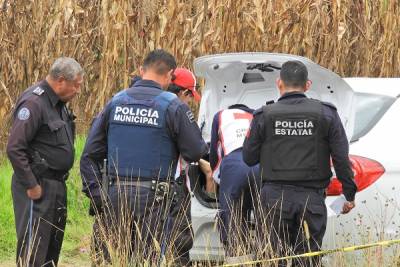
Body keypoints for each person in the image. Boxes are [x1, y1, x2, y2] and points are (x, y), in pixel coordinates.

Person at [80, 49, 208, 265]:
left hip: (115, 196)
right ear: (169, 75)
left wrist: (97, 195)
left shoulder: (115, 102)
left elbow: (89, 156)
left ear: (141, 70)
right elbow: (196, 151)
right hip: (156, 202)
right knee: (153, 260)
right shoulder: (173, 106)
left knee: (110, 260)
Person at [242, 60, 357, 266]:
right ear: (308, 85)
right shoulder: (326, 114)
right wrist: (348, 194)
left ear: (279, 83)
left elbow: (248, 158)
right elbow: (341, 158)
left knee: (272, 259)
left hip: (273, 200)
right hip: (310, 200)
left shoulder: (264, 115)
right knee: (307, 261)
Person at [6, 57, 83, 267]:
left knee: (51, 250)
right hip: (38, 186)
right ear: (60, 81)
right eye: (76, 85)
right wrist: (31, 185)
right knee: (34, 251)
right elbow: (14, 147)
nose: (78, 90)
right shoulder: (34, 102)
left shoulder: (60, 105)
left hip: (56, 186)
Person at [166, 67, 214, 265]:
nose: (188, 102)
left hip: (139, 185)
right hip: (174, 187)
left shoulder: (148, 103)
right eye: (189, 97)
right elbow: (196, 150)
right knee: (179, 242)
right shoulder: (178, 109)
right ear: (184, 92)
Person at [209, 104, 259, 261]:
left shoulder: (220, 115)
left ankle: (238, 257)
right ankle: (265, 256)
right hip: (261, 165)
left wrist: (218, 179)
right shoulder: (258, 116)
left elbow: (214, 154)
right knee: (266, 218)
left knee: (232, 222)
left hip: (233, 166)